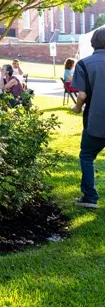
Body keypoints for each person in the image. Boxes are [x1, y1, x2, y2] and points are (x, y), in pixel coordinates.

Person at [71, 28, 105, 208]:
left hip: (96, 121)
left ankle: (90, 198)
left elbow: (82, 95)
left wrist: (76, 108)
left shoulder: (84, 64)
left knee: (87, 155)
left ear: (93, 42)